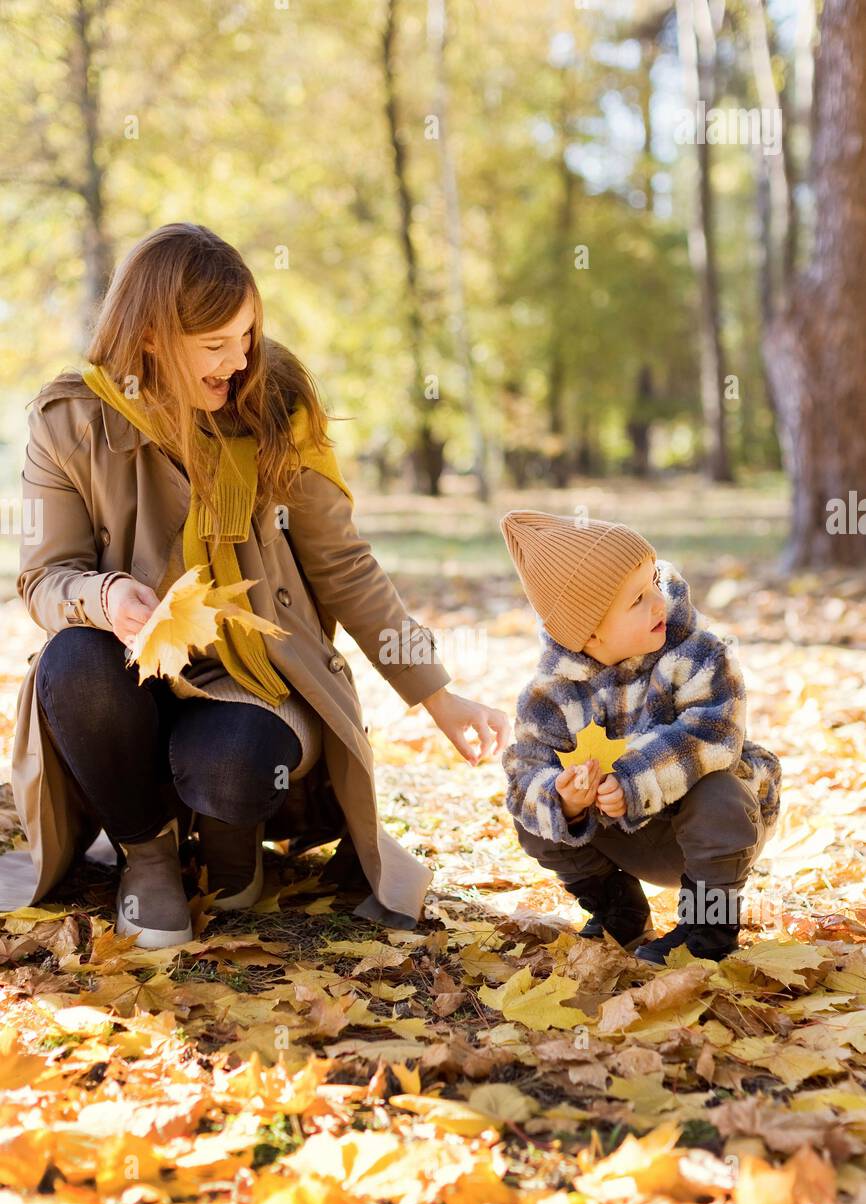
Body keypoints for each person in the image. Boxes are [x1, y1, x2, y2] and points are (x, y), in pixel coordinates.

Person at [12, 222, 509, 949]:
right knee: (72, 665)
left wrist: (435, 691)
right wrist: (107, 595)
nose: (239, 360)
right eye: (216, 345)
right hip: (131, 669)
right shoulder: (69, 423)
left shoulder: (274, 403)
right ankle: (146, 857)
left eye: (246, 336)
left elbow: (343, 563)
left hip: (259, 678)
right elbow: (44, 577)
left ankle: (228, 856)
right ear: (151, 337)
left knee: (236, 765)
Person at [499, 510, 781, 965]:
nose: (658, 603)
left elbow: (714, 734)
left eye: (654, 582)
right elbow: (524, 775)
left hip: (717, 834)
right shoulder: (551, 695)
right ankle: (620, 911)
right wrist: (565, 801)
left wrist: (633, 780)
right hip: (623, 838)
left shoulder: (699, 652)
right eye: (637, 600)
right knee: (533, 811)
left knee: (720, 791)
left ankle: (707, 931)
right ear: (586, 632)